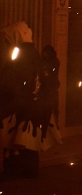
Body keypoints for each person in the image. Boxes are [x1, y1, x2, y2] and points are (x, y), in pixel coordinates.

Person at [0, 22, 62, 180]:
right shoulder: (34, 55)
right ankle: (29, 172)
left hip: (19, 107)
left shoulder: (19, 56)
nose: (5, 43)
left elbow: (10, 83)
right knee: (29, 143)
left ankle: (13, 173)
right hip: (35, 108)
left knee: (14, 141)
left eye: (7, 39)